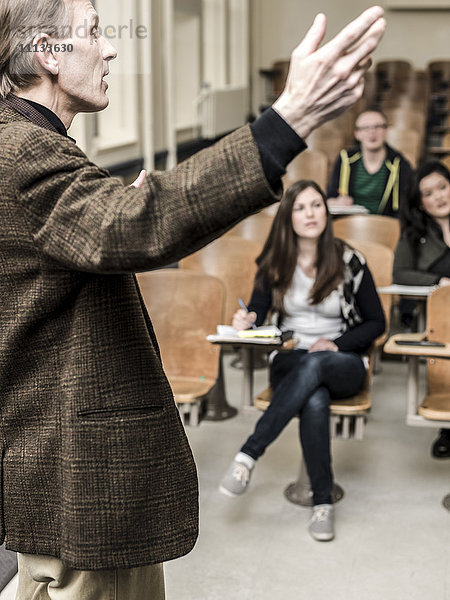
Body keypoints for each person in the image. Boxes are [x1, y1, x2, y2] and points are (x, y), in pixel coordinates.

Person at [0, 0, 386, 596]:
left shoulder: (32, 146)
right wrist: (288, 121)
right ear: (48, 52)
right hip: (79, 478)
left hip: (63, 473)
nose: (111, 49)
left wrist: (120, 215)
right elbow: (131, 225)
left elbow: (99, 236)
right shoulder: (24, 150)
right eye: (95, 33)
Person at [219, 180, 385, 542]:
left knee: (317, 364)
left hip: (342, 359)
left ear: (327, 212)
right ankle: (322, 503)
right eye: (300, 207)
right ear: (288, 216)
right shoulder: (274, 262)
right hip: (290, 359)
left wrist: (335, 342)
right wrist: (244, 320)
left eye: (316, 206)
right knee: (314, 396)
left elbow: (377, 322)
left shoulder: (350, 260)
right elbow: (257, 314)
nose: (310, 214)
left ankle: (247, 456)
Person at [393, 161, 450, 459]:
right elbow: (400, 274)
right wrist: (440, 282)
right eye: (429, 193)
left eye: (442, 187)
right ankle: (448, 428)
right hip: (441, 322)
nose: (439, 197)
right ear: (420, 202)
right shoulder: (415, 234)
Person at [326, 108, 413, 215]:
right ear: (357, 134)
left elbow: (405, 205)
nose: (372, 132)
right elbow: (330, 197)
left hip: (386, 225)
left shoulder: (400, 164)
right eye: (366, 128)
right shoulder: (345, 159)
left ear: (386, 131)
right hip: (348, 224)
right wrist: (337, 201)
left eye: (378, 127)